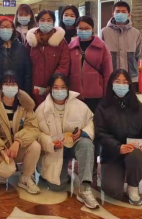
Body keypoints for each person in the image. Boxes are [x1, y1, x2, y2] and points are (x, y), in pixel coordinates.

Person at [95, 69, 142, 206]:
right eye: (117, 82)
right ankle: (118, 171)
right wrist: (118, 147)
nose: (121, 85)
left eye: (125, 82)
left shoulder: (139, 108)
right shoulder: (103, 107)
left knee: (135, 157)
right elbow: (100, 133)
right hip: (112, 153)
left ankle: (133, 186)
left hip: (135, 152)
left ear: (130, 85)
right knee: (112, 190)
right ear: (111, 84)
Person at [36, 73, 99, 209]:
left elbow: (91, 121)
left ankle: (85, 188)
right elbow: (38, 134)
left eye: (63, 87)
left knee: (86, 144)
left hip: (75, 145)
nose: (59, 91)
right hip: (56, 150)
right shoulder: (42, 110)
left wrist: (82, 132)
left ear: (68, 88)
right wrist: (51, 143)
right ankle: (60, 174)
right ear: (50, 89)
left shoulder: (79, 105)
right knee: (57, 186)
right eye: (56, 87)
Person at [0, 71, 41, 194]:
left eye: (13, 84)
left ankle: (25, 178)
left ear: (18, 87)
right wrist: (1, 149)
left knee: (35, 146)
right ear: (0, 86)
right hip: (0, 150)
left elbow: (33, 128)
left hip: (17, 148)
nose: (10, 87)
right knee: (6, 171)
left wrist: (18, 141)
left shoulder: (25, 106)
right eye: (6, 84)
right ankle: (0, 170)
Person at [69, 16, 113, 114]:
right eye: (80, 28)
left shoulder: (101, 47)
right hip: (75, 95)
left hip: (96, 96)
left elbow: (108, 73)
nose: (83, 31)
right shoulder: (71, 47)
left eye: (87, 28)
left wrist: (107, 94)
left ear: (92, 28)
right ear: (76, 29)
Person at [26, 10, 70, 106]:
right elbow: (25, 64)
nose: (45, 23)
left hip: (55, 88)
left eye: (49, 20)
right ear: (38, 22)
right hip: (34, 89)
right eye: (42, 20)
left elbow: (64, 64)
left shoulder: (61, 42)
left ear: (53, 22)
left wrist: (54, 83)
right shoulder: (31, 42)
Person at [0, 19, 31, 99]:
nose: (5, 29)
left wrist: (26, 92)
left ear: (13, 29)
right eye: (2, 27)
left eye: (8, 27)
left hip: (17, 90)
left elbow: (27, 73)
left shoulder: (21, 48)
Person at [101, 1, 142, 84]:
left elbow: (137, 55)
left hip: (130, 77)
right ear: (113, 14)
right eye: (117, 11)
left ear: (129, 14)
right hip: (111, 76)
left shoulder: (136, 33)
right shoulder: (104, 32)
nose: (120, 14)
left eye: (123, 12)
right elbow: (101, 55)